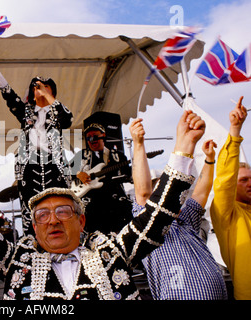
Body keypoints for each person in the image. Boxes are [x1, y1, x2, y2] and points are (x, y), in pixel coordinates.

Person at [0, 110, 205, 300]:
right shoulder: (17, 260)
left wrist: (183, 149)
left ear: (81, 221)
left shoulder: (111, 251)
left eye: (62, 211)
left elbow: (156, 217)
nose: (53, 220)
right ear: (34, 229)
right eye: (42, 215)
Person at [129, 117, 228, 300]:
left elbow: (201, 193)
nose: (172, 197)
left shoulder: (185, 220)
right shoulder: (149, 226)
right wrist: (138, 143)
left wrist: (209, 160)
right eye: (165, 194)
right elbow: (143, 193)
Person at [0, 49, 73, 236]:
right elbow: (7, 93)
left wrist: (48, 96)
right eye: (35, 87)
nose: (38, 89)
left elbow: (68, 118)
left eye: (44, 86)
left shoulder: (57, 111)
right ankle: (33, 249)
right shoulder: (26, 112)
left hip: (54, 166)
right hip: (29, 168)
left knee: (58, 208)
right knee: (31, 211)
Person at [210, 96, 251, 300]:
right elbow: (225, 177)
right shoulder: (227, 214)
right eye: (243, 180)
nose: (250, 183)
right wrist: (235, 131)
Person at [69, 114, 133, 234]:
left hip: (115, 205)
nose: (92, 141)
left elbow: (128, 175)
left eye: (95, 137)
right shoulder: (81, 155)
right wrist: (78, 174)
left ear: (103, 136)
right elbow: (65, 171)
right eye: (88, 138)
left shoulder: (117, 156)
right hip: (94, 207)